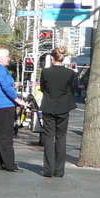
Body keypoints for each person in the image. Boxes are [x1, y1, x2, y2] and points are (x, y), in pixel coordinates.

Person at [0, 48, 26, 172]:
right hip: (3, 105)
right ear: (0, 58)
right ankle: (9, 164)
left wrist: (13, 85)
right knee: (6, 136)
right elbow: (6, 88)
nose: (9, 58)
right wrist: (18, 100)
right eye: (7, 56)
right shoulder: (0, 70)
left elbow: (4, 85)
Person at [40, 46, 77, 178]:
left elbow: (42, 87)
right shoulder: (71, 73)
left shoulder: (45, 72)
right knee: (61, 138)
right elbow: (73, 89)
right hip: (63, 107)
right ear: (64, 58)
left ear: (51, 58)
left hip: (49, 106)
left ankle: (48, 169)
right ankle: (60, 170)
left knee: (49, 137)